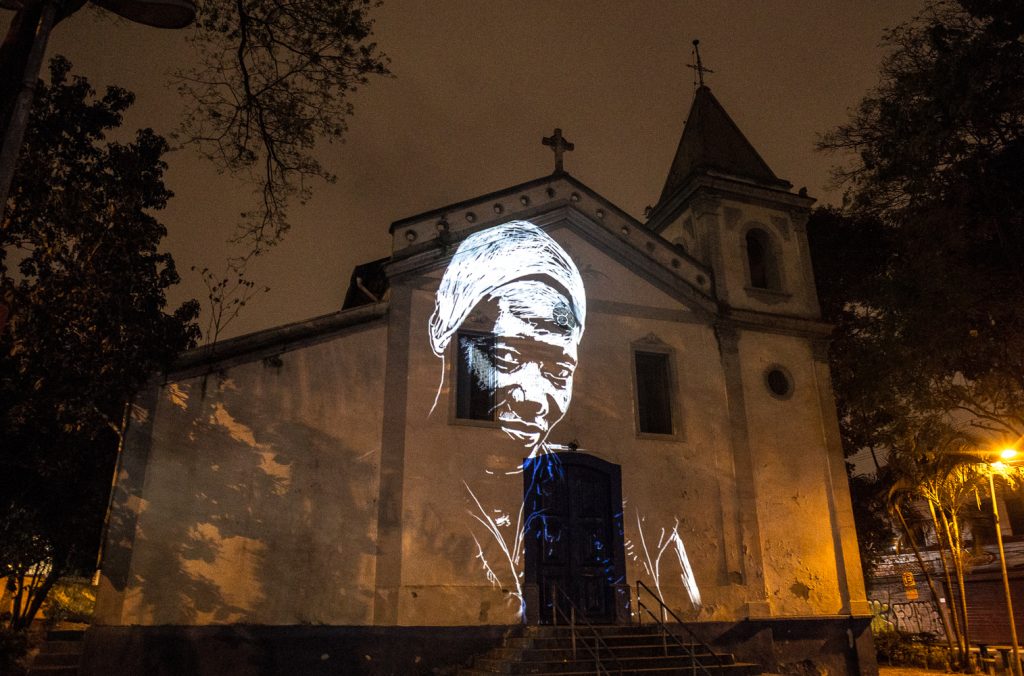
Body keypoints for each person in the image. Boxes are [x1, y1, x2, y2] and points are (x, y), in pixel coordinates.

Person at [428, 220, 586, 457]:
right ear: (440, 330)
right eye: (506, 357)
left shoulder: (570, 489)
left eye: (559, 372)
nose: (534, 400)